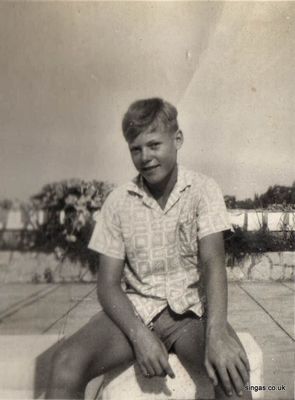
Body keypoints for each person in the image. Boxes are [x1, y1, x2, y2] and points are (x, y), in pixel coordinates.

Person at [46, 98, 252, 400]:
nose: (145, 157)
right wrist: (138, 335)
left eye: (154, 145)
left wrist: (217, 332)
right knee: (65, 364)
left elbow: (213, 263)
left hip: (191, 316)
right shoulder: (118, 201)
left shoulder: (203, 190)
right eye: (136, 148)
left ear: (177, 139)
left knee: (232, 374)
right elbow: (107, 285)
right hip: (137, 311)